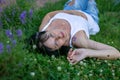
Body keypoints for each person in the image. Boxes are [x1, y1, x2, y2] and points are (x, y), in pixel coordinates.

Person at [30, 0, 120, 64]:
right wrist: (87, 52)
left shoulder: (43, 30)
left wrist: (71, 11)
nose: (58, 36)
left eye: (52, 35)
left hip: (71, 8)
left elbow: (49, 15)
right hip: (89, 14)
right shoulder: (78, 40)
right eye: (57, 43)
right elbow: (116, 52)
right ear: (60, 48)